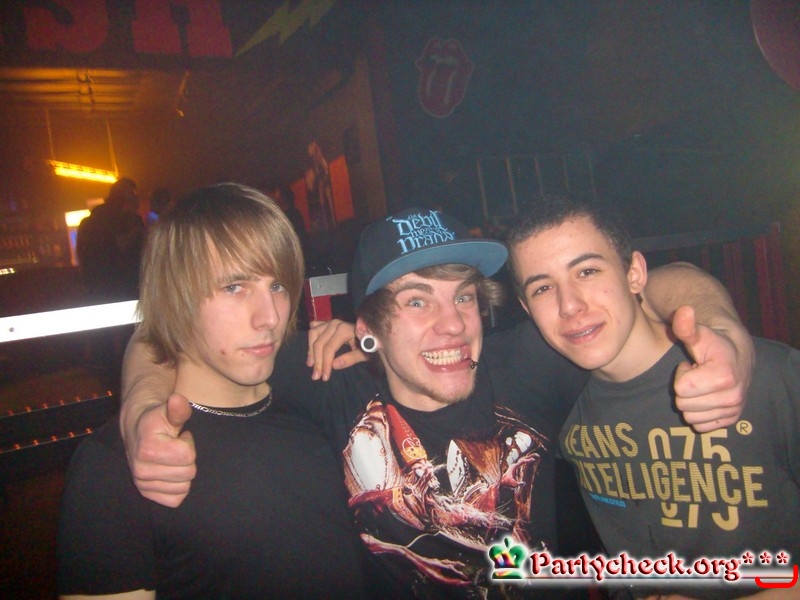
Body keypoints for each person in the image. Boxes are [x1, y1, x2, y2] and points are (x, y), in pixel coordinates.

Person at [120, 207, 753, 599]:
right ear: (368, 325)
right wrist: (141, 413)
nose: (452, 325)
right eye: (417, 301)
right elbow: (168, 338)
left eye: (463, 297)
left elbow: (659, 284)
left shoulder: (527, 364)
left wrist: (723, 332)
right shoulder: (330, 380)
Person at [57, 183, 370, 599]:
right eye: (234, 287)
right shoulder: (124, 463)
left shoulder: (317, 386)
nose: (269, 317)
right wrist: (138, 407)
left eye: (277, 286)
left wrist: (376, 346)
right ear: (176, 296)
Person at [505, 197, 799, 599]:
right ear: (526, 308)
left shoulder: (757, 375)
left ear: (634, 274)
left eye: (587, 271)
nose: (569, 305)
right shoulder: (559, 407)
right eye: (543, 288)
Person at [76, 177, 146, 391]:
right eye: (133, 196)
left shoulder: (89, 222)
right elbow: (123, 249)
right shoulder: (124, 221)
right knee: (128, 336)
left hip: (97, 289)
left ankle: (107, 380)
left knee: (104, 338)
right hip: (122, 289)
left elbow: (83, 257)